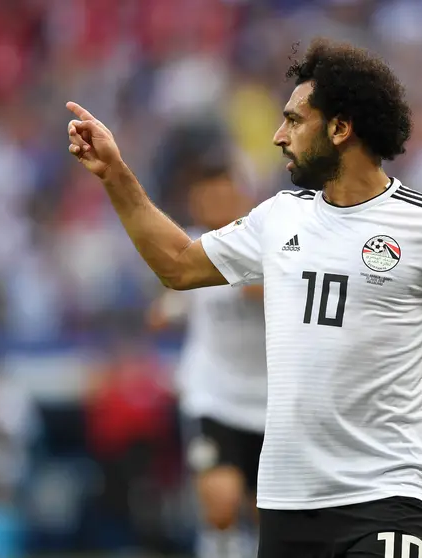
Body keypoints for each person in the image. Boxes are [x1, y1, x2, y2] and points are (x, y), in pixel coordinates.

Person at [65, 38, 422, 558]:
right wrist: (115, 173)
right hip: (286, 501)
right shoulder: (279, 218)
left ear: (342, 128)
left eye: (295, 120)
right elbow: (178, 265)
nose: (279, 135)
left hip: (384, 497)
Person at [146, 135, 267, 558]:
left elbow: (274, 295)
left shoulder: (268, 243)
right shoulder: (191, 249)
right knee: (219, 503)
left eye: (223, 191)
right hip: (213, 396)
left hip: (270, 402)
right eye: (205, 193)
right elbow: (167, 308)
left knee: (267, 513)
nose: (213, 202)